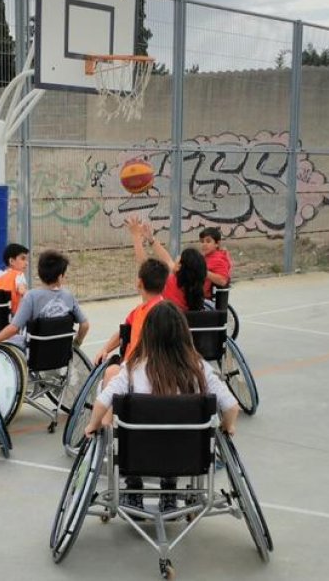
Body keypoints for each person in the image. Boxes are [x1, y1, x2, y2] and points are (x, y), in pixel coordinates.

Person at [84, 301, 240, 511]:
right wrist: (227, 426)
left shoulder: (132, 370)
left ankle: (134, 489)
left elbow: (102, 402)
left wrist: (92, 426)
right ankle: (169, 488)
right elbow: (231, 406)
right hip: (187, 456)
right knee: (173, 433)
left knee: (132, 428)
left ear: (148, 335)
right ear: (184, 334)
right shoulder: (200, 369)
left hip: (137, 456)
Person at [0, 249, 91, 353]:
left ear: (40, 273)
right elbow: (85, 325)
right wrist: (75, 345)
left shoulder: (32, 296)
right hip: (61, 353)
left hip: (36, 353)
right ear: (60, 276)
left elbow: (13, 328)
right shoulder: (69, 296)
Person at [91, 257, 169, 391]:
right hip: (146, 370)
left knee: (110, 377)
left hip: (138, 371)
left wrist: (105, 350)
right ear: (164, 284)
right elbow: (124, 331)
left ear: (139, 282)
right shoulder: (147, 310)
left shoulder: (152, 311)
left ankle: (103, 411)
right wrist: (106, 349)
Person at [127, 216, 207, 312]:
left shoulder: (169, 283)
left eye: (179, 258)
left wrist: (136, 236)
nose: (176, 258)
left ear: (179, 267)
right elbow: (168, 260)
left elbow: (145, 266)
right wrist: (151, 239)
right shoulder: (194, 286)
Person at [199, 226, 232, 298]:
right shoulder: (206, 256)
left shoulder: (218, 259)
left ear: (217, 244)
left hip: (203, 299)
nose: (204, 244)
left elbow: (223, 281)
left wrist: (203, 271)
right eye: (202, 241)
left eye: (208, 241)